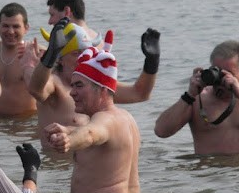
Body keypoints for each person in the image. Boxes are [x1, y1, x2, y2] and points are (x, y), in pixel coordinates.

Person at [23, 18, 159, 145]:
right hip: (57, 168)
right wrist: (50, 55)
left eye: (86, 51)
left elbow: (140, 94)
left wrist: (151, 63)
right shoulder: (54, 83)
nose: (83, 57)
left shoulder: (95, 84)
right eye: (76, 53)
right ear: (61, 59)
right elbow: (35, 89)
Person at [154, 40, 239, 155]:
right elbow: (161, 131)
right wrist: (189, 95)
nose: (222, 80)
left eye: (229, 73)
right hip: (209, 174)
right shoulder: (198, 99)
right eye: (217, 72)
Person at [44, 40, 140, 193]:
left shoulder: (104, 119)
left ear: (102, 90)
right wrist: (68, 130)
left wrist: (68, 140)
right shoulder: (125, 118)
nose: (72, 93)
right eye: (72, 86)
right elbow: (101, 136)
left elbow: (90, 134)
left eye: (79, 86)